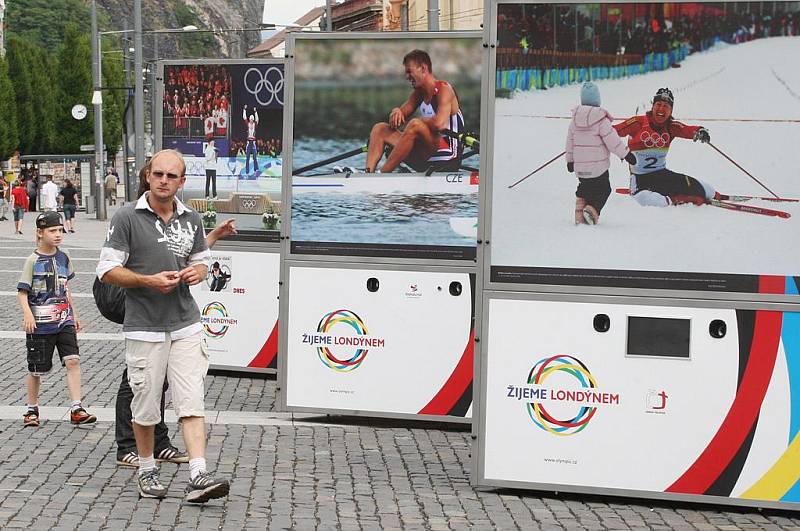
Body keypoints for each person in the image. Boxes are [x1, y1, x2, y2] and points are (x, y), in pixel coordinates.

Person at [97, 149, 230, 502]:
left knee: (191, 401)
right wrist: (148, 281)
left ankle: (199, 474)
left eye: (171, 176)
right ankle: (146, 468)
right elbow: (107, 270)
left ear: (182, 182)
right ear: (148, 176)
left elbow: (202, 262)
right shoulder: (126, 216)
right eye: (158, 174)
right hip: (144, 327)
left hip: (186, 324)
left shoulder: (191, 219)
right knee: (146, 406)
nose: (163, 181)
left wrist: (195, 273)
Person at [17, 211, 97, 428]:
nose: (58, 235)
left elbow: (65, 288)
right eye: (52, 231)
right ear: (40, 233)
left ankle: (76, 408)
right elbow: (22, 291)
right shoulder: (32, 261)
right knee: (36, 370)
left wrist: (75, 313)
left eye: (60, 230)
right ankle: (31, 409)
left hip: (64, 320)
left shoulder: (64, 257)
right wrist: (27, 314)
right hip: (40, 324)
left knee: (73, 360)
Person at [365, 50, 465, 174]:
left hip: (448, 157)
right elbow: (402, 113)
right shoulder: (418, 94)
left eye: (409, 71)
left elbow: (440, 124)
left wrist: (421, 121)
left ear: (423, 68)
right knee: (380, 129)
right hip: (426, 156)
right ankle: (368, 174)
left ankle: (382, 174)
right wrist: (396, 111)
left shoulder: (445, 90)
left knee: (415, 125)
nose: (407, 77)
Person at [614, 87, 713, 207]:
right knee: (649, 200)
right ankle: (676, 199)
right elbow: (611, 132)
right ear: (653, 106)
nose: (661, 109)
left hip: (662, 175)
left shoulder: (671, 127)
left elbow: (687, 130)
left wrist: (700, 131)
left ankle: (715, 195)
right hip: (640, 180)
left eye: (666, 106)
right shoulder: (638, 123)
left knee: (705, 189)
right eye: (658, 104)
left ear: (671, 111)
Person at [565, 82, 637, 225]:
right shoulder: (601, 121)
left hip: (580, 169)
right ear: (597, 100)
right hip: (598, 169)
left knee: (585, 188)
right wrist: (626, 154)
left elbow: (569, 142)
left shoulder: (574, 121)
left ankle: (580, 213)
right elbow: (613, 141)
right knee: (604, 189)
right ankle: (592, 211)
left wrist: (570, 161)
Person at [243, 105, 259, 175]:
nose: (251, 120)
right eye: (251, 119)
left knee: (255, 157)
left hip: (254, 142)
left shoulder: (255, 124)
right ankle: (247, 171)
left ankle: (256, 169)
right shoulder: (248, 124)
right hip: (248, 142)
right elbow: (244, 117)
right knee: (247, 158)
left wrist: (255, 111)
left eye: (252, 119)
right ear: (249, 119)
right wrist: (244, 109)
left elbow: (257, 119)